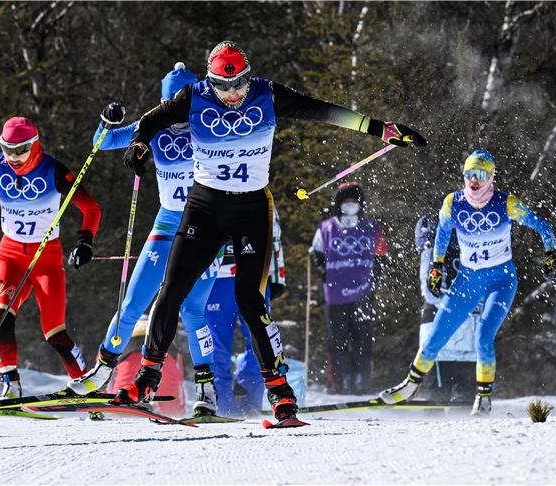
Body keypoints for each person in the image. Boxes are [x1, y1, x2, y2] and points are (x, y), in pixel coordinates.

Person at [113, 40, 426, 424]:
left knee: (250, 300)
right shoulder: (193, 97)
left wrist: (380, 128)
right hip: (205, 207)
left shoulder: (268, 95)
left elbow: (322, 110)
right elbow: (150, 121)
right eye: (223, 86)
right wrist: (139, 143)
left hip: (251, 210)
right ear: (210, 81)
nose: (232, 94)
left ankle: (280, 394)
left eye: (239, 84)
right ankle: (147, 378)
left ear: (249, 76)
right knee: (172, 289)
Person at [67, 63, 223, 417]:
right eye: (170, 105)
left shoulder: (212, 125)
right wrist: (106, 121)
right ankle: (102, 371)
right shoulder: (153, 125)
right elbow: (102, 142)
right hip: (167, 223)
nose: (177, 114)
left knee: (192, 309)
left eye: (183, 104)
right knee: (132, 303)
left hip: (207, 228)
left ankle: (206, 388)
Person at [379, 150, 556, 415]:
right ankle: (410, 385)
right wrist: (437, 266)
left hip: (500, 281)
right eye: (469, 174)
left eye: (481, 175)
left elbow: (542, 225)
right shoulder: (453, 202)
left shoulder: (506, 203)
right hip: (468, 279)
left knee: (484, 336)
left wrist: (551, 254)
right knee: (437, 334)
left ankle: (483, 397)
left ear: (491, 177)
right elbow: (442, 233)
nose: (474, 180)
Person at [0, 116, 101, 399]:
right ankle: (11, 386)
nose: (13, 157)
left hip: (46, 259)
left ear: (35, 145)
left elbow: (91, 207)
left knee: (54, 333)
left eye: (20, 150)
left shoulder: (54, 170)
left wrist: (85, 242)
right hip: (9, 255)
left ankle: (87, 387)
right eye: (7, 149)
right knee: (1, 319)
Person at [206, 207, 286, 417]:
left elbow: (274, 235)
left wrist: (277, 277)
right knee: (219, 344)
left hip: (250, 275)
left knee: (258, 339)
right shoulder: (207, 192)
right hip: (217, 279)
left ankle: (245, 400)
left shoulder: (258, 194)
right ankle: (225, 405)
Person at [309, 182, 387, 394]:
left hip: (363, 292)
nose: (350, 205)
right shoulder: (327, 228)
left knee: (363, 338)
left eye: (354, 201)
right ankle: (339, 383)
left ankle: (362, 382)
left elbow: (381, 256)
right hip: (335, 294)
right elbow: (316, 252)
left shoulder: (372, 228)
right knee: (337, 340)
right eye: (346, 201)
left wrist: (375, 276)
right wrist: (323, 272)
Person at [414, 215, 478, 402]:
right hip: (439, 322)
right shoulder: (436, 251)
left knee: (466, 392)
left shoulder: (476, 252)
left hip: (469, 327)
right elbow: (431, 291)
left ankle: (466, 410)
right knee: (439, 390)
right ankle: (436, 408)